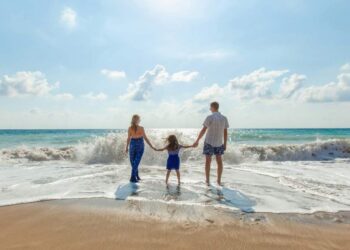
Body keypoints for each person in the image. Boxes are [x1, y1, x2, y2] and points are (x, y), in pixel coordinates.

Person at [193, 102, 229, 186]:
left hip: (209, 142)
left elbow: (203, 130)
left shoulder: (210, 117)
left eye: (210, 107)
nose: (210, 109)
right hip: (219, 143)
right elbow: (225, 133)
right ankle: (218, 181)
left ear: (213, 107)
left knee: (208, 162)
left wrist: (197, 140)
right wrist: (225, 144)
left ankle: (207, 181)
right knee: (219, 162)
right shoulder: (224, 118)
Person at [125, 114, 155, 183]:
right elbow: (128, 138)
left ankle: (132, 177)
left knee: (135, 161)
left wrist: (151, 146)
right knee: (133, 162)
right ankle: (136, 175)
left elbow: (145, 138)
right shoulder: (130, 128)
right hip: (134, 144)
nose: (140, 120)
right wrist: (126, 147)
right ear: (137, 120)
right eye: (139, 119)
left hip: (138, 144)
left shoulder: (141, 128)